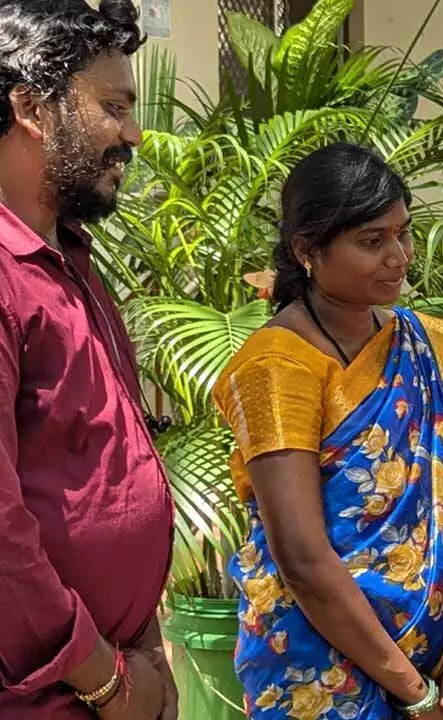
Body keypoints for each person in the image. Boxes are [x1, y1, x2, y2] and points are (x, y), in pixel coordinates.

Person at [212, 144, 443, 720]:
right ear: (307, 249)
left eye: (403, 233)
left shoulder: (429, 346)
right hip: (316, 674)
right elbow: (303, 560)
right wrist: (415, 693)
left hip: (432, 670)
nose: (399, 257)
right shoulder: (277, 368)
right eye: (371, 241)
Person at [0, 1, 176, 718]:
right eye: (113, 106)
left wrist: (149, 650)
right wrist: (107, 681)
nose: (132, 133)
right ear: (31, 108)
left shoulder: (71, 260)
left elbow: (116, 471)